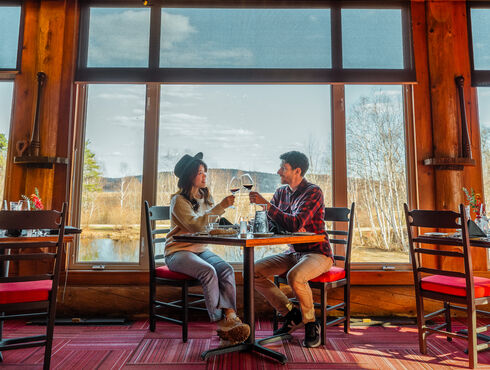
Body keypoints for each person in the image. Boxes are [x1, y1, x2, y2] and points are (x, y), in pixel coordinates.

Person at [249, 151, 332, 348]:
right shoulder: (281, 193)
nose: (278, 172)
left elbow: (295, 223)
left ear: (297, 170)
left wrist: (269, 208)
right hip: (293, 252)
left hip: (317, 252)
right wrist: (271, 217)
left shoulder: (313, 192)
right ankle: (291, 313)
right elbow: (273, 224)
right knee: (252, 271)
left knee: (295, 277)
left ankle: (311, 323)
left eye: (283, 168)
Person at [165, 152, 250, 346]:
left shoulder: (204, 196)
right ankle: (222, 324)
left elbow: (212, 224)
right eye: (201, 173)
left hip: (200, 250)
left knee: (226, 269)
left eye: (205, 172)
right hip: (178, 252)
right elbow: (196, 225)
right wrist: (221, 206)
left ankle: (230, 315)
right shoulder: (178, 201)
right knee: (208, 271)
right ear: (189, 177)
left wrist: (233, 227)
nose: (205, 176)